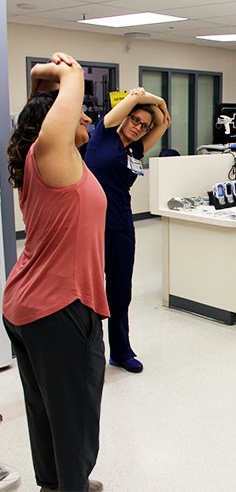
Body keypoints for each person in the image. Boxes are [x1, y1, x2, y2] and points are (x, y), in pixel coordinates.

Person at [3, 52, 109, 492]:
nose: (86, 116)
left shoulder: (48, 160)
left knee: (46, 409)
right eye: (77, 111)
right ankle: (72, 486)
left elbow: (38, 84)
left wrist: (41, 75)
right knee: (73, 417)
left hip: (27, 305)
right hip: (59, 306)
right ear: (54, 126)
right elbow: (72, 80)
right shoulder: (51, 155)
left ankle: (57, 484)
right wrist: (71, 74)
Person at [84, 87, 171, 373]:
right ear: (124, 117)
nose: (138, 128)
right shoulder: (102, 135)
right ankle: (88, 354)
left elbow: (163, 123)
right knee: (89, 293)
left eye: (143, 125)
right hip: (89, 226)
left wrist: (157, 111)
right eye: (134, 120)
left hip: (120, 224)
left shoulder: (136, 149)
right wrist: (153, 99)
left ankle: (121, 352)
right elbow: (133, 101)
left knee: (121, 292)